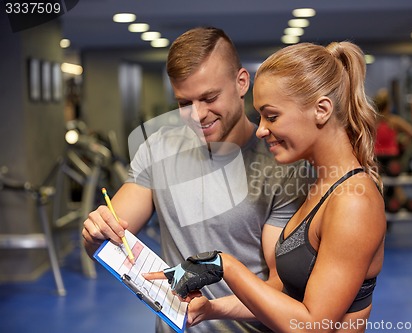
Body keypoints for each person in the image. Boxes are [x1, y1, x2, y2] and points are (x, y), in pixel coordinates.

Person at [82, 27, 313, 333]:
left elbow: (280, 284)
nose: (198, 114)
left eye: (209, 97)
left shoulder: (282, 166)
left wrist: (214, 309)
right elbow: (111, 237)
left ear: (242, 82)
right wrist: (96, 232)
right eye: (184, 103)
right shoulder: (158, 149)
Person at [145, 41, 386, 333]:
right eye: (260, 116)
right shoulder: (322, 186)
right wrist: (212, 308)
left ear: (321, 110)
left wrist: (225, 266)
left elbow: (312, 325)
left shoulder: (353, 201)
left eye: (272, 116)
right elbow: (287, 298)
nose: (261, 129)